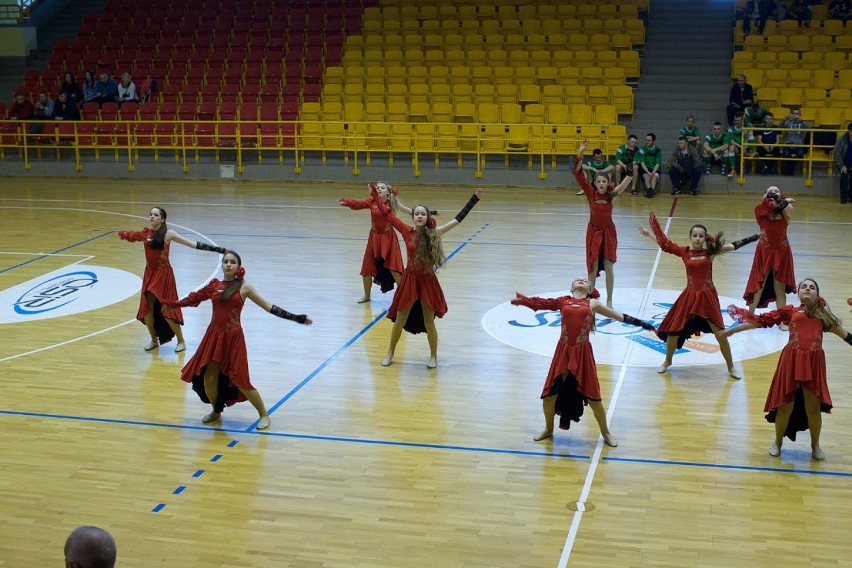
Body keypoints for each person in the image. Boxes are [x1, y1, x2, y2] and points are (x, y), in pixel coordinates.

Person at [165, 251, 311, 429]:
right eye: (225, 261)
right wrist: (173, 304)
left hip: (233, 338)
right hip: (213, 336)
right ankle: (216, 410)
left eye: (232, 262)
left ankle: (264, 414)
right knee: (209, 381)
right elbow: (193, 298)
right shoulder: (214, 285)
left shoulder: (245, 288)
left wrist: (296, 317)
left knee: (241, 381)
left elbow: (268, 306)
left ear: (239, 267)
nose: (228, 264)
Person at [511, 277, 656, 444]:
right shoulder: (562, 301)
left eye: (584, 280)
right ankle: (548, 429)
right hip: (563, 352)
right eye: (577, 280)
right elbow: (540, 303)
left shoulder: (593, 303)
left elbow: (619, 316)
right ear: (571, 289)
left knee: (595, 399)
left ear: (589, 290)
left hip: (582, 354)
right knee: (549, 396)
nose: (581, 280)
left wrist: (644, 324)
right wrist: (523, 301)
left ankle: (606, 433)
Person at [721, 279, 851, 460]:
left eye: (812, 287)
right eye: (804, 286)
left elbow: (847, 336)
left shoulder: (824, 316)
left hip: (814, 363)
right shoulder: (789, 311)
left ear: (817, 294)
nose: (807, 289)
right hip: (791, 361)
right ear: (798, 293)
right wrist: (733, 331)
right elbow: (760, 321)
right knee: (784, 406)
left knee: (813, 409)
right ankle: (778, 443)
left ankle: (815, 446)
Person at [637, 212, 759, 379]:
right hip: (689, 296)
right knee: (673, 332)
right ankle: (668, 360)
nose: (697, 238)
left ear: (704, 238)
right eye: (695, 235)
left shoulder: (711, 252)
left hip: (707, 297)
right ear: (690, 237)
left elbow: (734, 245)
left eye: (701, 236)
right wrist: (652, 232)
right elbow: (665, 245)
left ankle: (731, 366)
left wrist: (755, 236)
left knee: (720, 334)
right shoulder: (684, 252)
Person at [378, 189, 484, 369]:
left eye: (422, 214)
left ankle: (433, 356)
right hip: (410, 280)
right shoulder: (406, 231)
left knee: (429, 321)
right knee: (400, 319)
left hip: (427, 281)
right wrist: (378, 197)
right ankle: (390, 352)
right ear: (413, 217)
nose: (419, 216)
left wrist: (473, 200)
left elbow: (457, 220)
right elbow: (389, 216)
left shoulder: (435, 233)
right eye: (417, 213)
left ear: (427, 217)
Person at [118, 206, 227, 352]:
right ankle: (153, 340)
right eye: (150, 214)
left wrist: (218, 249)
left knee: (167, 311)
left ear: (162, 219)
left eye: (155, 215)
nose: (151, 217)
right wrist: (123, 234)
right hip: (149, 274)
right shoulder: (145, 233)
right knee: (147, 310)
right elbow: (132, 235)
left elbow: (192, 244)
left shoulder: (169, 234)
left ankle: (181, 341)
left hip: (163, 276)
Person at [575, 139, 633, 307]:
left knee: (609, 267)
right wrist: (581, 153)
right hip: (593, 233)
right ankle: (590, 298)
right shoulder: (590, 193)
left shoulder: (612, 195)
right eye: (598, 181)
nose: (601, 184)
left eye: (604, 181)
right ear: (595, 183)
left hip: (608, 233)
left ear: (608, 184)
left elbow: (625, 182)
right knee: (592, 268)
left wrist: (629, 170)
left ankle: (609, 300)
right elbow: (578, 175)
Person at [339, 181, 412, 303]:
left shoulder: (392, 202)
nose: (379, 189)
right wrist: (347, 202)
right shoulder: (371, 201)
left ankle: (405, 296)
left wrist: (428, 214)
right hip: (374, 238)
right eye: (377, 188)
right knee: (367, 267)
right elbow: (358, 204)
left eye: (382, 188)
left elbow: (409, 211)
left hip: (388, 238)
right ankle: (367, 295)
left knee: (394, 268)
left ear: (388, 191)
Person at [743, 186, 796, 320]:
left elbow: (790, 211)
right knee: (759, 285)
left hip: (782, 252)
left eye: (776, 191)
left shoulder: (785, 212)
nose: (773, 193)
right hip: (764, 252)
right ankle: (750, 316)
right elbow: (763, 205)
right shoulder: (760, 211)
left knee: (780, 288)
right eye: (769, 191)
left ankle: (783, 319)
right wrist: (781, 199)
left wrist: (781, 200)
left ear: (781, 194)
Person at [779, 108, 809, 176]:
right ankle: (791, 170)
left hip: (799, 145)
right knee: (786, 154)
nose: (795, 115)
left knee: (800, 154)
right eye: (794, 113)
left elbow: (808, 128)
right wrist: (785, 119)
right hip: (788, 144)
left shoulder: (802, 123)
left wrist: (800, 121)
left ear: (800, 115)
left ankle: (789, 170)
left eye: (797, 114)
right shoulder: (788, 122)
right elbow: (779, 127)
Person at [638, 132, 662, 198]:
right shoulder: (642, 150)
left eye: (649, 140)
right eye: (646, 140)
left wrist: (653, 173)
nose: (647, 142)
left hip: (655, 168)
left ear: (653, 141)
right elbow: (642, 163)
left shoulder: (658, 150)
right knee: (646, 177)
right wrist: (648, 172)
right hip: (645, 168)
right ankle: (650, 190)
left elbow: (657, 164)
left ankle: (650, 191)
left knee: (654, 178)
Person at [834, 122, 852, 204]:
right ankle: (844, 199)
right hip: (843, 163)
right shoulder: (842, 139)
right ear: (849, 131)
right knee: (844, 180)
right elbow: (837, 153)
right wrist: (841, 166)